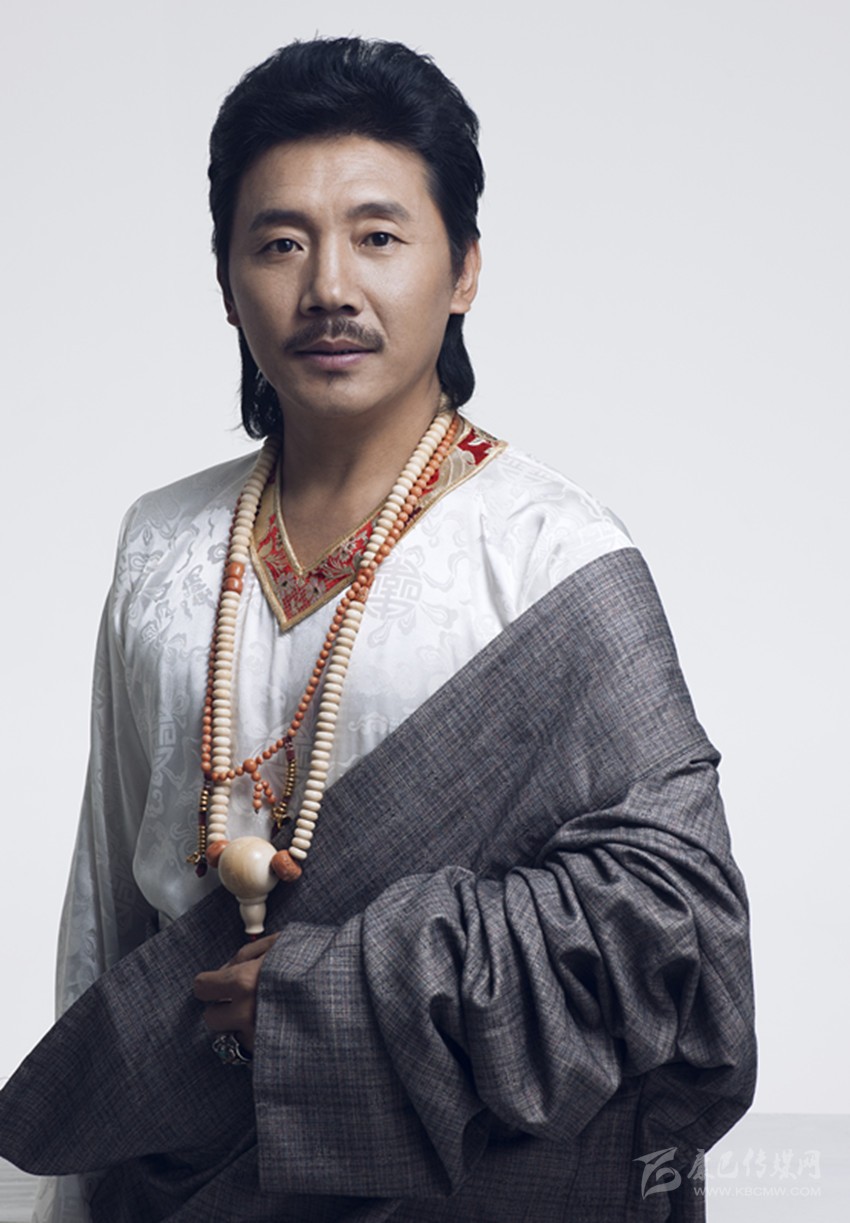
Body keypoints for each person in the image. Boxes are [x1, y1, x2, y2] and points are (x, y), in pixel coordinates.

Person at [0, 37, 755, 1222]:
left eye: (379, 236)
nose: (329, 287)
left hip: (452, 1183)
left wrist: (328, 995)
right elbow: (111, 911)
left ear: (463, 270)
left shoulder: (552, 557)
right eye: (280, 242)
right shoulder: (161, 544)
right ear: (225, 281)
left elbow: (673, 925)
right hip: (172, 1176)